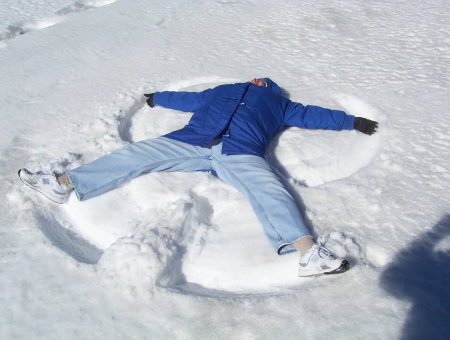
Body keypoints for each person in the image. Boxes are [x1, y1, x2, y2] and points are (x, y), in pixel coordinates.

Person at [18, 78, 378, 277]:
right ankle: (62, 184)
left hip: (240, 152)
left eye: (261, 82)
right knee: (134, 155)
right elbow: (187, 99)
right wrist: (158, 97)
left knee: (269, 188)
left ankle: (308, 254)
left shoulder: (278, 104)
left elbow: (313, 114)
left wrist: (352, 122)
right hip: (189, 142)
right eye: (254, 80)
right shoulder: (220, 92)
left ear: (266, 87)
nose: (256, 81)